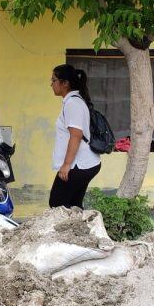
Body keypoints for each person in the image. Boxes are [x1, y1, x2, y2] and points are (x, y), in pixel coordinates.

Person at [48, 64, 101, 209]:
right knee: (73, 205)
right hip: (82, 164)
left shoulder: (73, 104)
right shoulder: (73, 101)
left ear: (65, 83)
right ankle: (81, 230)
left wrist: (66, 165)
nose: (51, 84)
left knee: (57, 204)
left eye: (54, 80)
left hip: (78, 164)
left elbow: (76, 136)